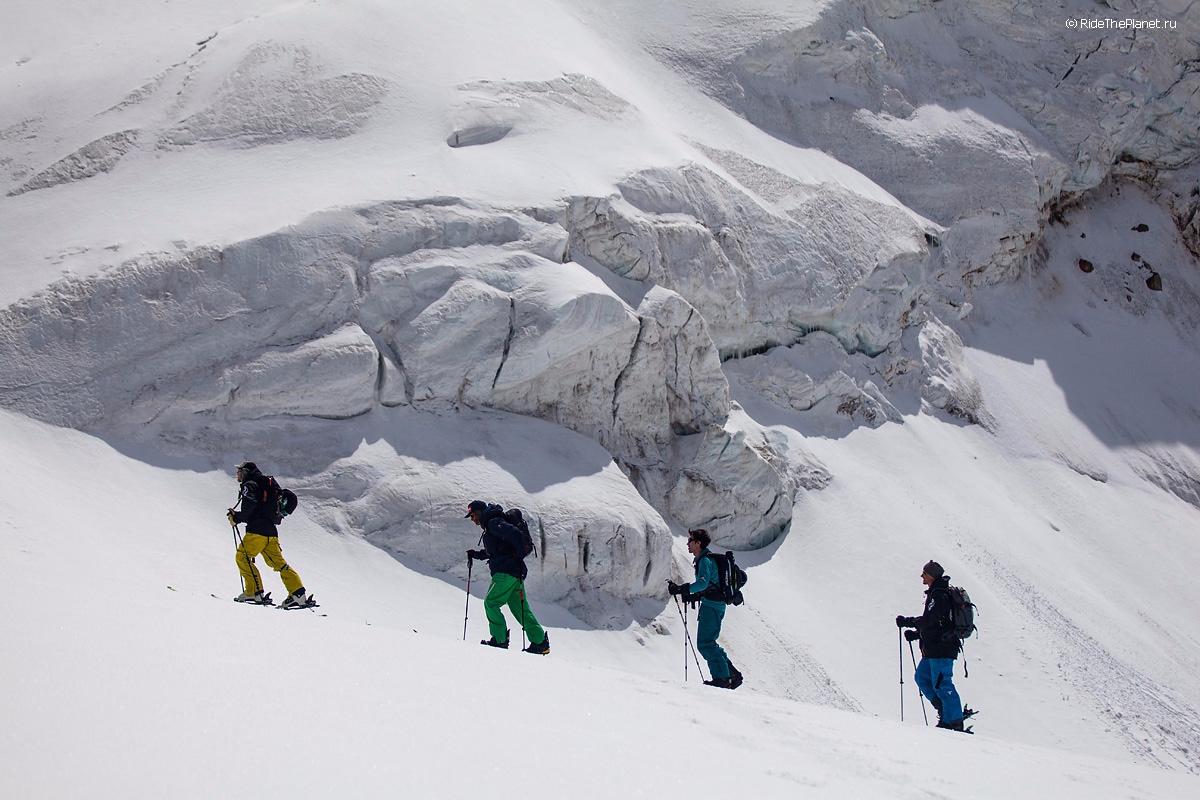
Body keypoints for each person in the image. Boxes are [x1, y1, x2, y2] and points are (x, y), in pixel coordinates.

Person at [465, 500, 549, 654]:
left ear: (479, 512)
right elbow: (497, 551)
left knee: (491, 603)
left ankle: (499, 640)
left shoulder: (493, 522)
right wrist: (476, 555)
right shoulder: (492, 524)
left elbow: (515, 534)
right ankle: (540, 642)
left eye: (473, 515)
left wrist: (518, 556)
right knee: (520, 609)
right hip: (514, 572)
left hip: (505, 572)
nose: (472, 519)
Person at [227, 461, 309, 609]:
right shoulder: (266, 484)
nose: (237, 474)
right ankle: (298, 594)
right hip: (271, 533)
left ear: (245, 472)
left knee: (242, 557)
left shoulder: (249, 485)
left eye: (239, 471)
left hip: (256, 532)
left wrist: (236, 517)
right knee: (279, 564)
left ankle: (254, 592)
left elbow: (249, 508)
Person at [668, 529, 743, 689]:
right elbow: (710, 586)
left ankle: (722, 678)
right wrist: (693, 596)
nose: (687, 543)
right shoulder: (706, 559)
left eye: (690, 540)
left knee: (705, 643)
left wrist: (681, 589)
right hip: (714, 604)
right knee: (709, 642)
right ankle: (731, 674)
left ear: (698, 543)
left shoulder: (704, 560)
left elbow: (702, 584)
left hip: (712, 606)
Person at [896, 560, 966, 730]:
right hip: (935, 648)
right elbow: (936, 624)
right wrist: (917, 634)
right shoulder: (937, 593)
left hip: (941, 648)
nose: (922, 576)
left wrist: (908, 622)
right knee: (922, 678)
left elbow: (930, 620)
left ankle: (954, 721)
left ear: (932, 576)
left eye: (925, 574)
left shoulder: (938, 595)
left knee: (942, 683)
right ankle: (945, 712)